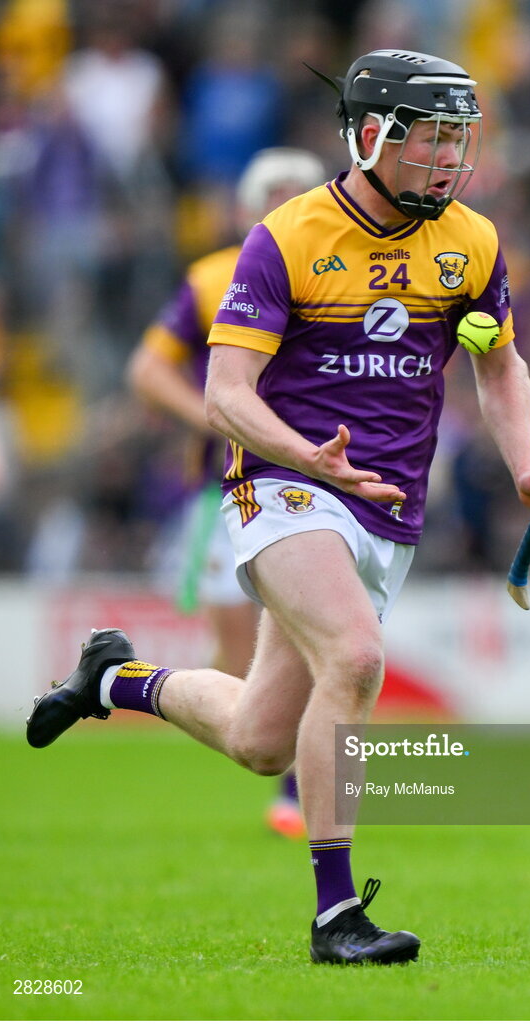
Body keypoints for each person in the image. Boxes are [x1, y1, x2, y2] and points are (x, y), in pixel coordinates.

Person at [26, 48, 530, 965]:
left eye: (456, 142)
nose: (448, 161)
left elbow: (502, 365)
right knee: (356, 660)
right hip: (283, 485)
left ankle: (112, 681)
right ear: (368, 137)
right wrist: (304, 455)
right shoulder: (287, 237)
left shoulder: (471, 241)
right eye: (429, 141)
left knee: (259, 740)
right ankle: (335, 917)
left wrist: (527, 466)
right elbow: (226, 394)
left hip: (385, 507)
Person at [126, 147, 326, 841]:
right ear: (245, 210)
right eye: (273, 193)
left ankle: (301, 784)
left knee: (317, 636)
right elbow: (148, 368)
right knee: (241, 654)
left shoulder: (339, 272)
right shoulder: (214, 278)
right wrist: (212, 411)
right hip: (222, 491)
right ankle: (276, 754)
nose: (286, 204)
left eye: (298, 192)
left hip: (309, 485)